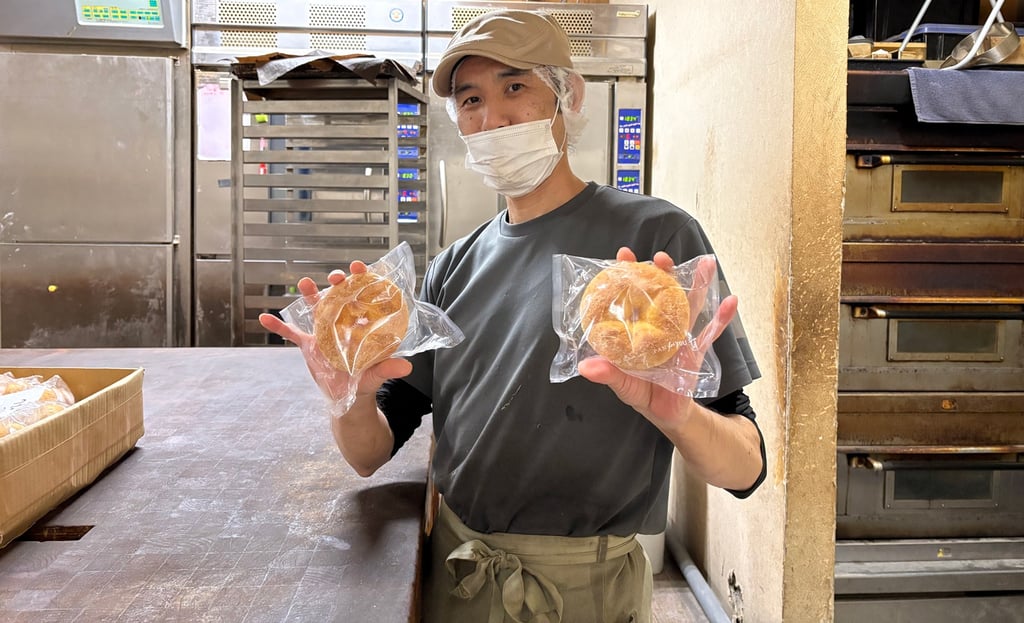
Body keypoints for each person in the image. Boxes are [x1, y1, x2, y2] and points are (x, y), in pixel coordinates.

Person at [260, 9, 766, 623]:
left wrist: (677, 412)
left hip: (586, 596)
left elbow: (746, 467)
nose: (492, 118)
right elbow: (371, 453)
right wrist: (347, 397)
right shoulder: (452, 266)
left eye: (515, 87)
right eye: (471, 99)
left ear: (566, 98)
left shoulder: (656, 240)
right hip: (457, 576)